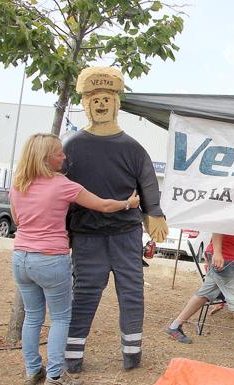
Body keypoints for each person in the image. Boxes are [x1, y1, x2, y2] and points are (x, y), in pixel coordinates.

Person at [9, 133, 140, 385]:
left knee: (34, 317)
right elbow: (102, 205)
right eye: (59, 153)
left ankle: (33, 371)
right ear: (46, 158)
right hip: (50, 259)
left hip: (21, 259)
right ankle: (56, 375)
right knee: (59, 318)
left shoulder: (18, 183)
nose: (64, 156)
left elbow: (17, 220)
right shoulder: (62, 185)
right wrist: (129, 203)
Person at [64, 67, 168, 372]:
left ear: (116, 102)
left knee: (132, 293)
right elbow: (60, 189)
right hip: (86, 236)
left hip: (126, 234)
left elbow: (148, 182)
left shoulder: (133, 148)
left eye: (106, 97)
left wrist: (155, 214)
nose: (100, 103)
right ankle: (72, 356)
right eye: (94, 98)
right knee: (83, 294)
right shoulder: (71, 146)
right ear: (84, 103)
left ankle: (132, 354)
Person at [166, 234, 234, 355]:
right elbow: (219, 225)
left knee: (205, 293)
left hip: (225, 255)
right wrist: (218, 252)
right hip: (226, 256)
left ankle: (175, 326)